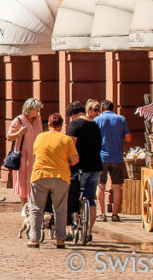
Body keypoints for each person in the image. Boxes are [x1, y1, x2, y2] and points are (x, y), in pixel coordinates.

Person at [28, 112, 79, 249]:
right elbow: (74, 159)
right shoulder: (66, 139)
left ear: (49, 124)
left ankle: (34, 239)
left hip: (40, 175)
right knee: (60, 209)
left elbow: (35, 153)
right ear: (61, 126)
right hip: (60, 177)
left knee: (36, 209)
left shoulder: (40, 137)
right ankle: (60, 240)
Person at [67, 101, 103, 241]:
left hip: (79, 168)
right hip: (95, 166)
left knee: (74, 199)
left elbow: (70, 146)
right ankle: (88, 231)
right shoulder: (95, 124)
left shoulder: (75, 124)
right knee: (90, 200)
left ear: (73, 114)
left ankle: (72, 229)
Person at [95, 99, 131, 221]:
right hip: (117, 157)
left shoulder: (97, 120)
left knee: (101, 185)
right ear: (113, 108)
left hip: (101, 157)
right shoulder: (121, 119)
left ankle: (102, 214)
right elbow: (129, 138)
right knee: (117, 187)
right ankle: (115, 215)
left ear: (101, 109)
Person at [5, 98, 44, 207]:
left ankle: (33, 205)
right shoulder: (18, 120)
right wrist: (19, 133)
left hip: (35, 154)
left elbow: (40, 135)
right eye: (36, 109)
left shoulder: (38, 120)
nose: (37, 112)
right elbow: (9, 137)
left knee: (34, 180)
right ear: (29, 109)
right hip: (22, 155)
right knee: (23, 180)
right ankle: (24, 206)